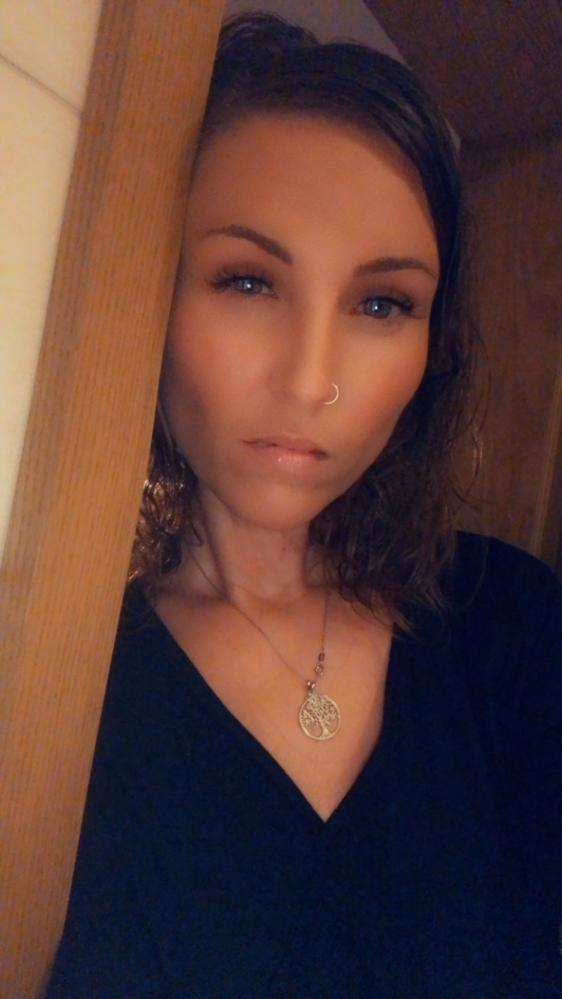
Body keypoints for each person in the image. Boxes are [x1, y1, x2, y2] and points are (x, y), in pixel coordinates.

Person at [46, 12, 562, 998]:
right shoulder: (56, 693)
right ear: (151, 292)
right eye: (247, 281)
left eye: (381, 304)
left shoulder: (511, 622)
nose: (311, 379)